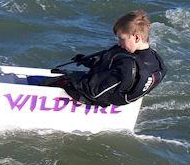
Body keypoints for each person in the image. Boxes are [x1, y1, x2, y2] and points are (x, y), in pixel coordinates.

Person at [36, 10, 167, 107]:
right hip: (120, 95)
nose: (118, 43)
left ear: (137, 37)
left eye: (122, 39)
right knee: (69, 75)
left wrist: (71, 79)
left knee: (63, 79)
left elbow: (95, 92)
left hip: (99, 99)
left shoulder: (128, 65)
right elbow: (110, 66)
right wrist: (88, 61)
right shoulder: (156, 60)